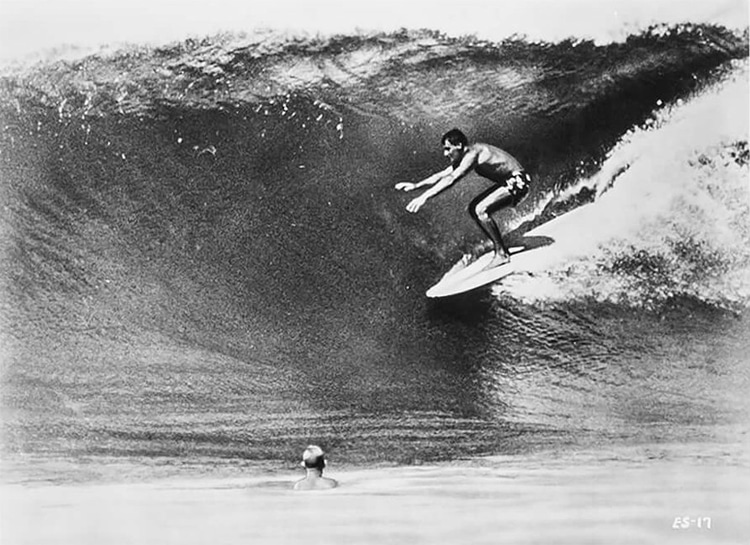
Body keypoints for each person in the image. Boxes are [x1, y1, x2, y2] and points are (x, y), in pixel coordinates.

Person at [395, 128, 531, 268]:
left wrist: (424, 197)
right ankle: (500, 249)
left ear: (459, 145)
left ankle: (501, 254)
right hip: (511, 182)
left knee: (481, 210)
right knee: (473, 208)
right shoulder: (467, 155)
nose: (445, 153)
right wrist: (416, 185)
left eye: (448, 149)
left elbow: (452, 179)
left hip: (519, 181)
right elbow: (442, 175)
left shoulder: (474, 153)